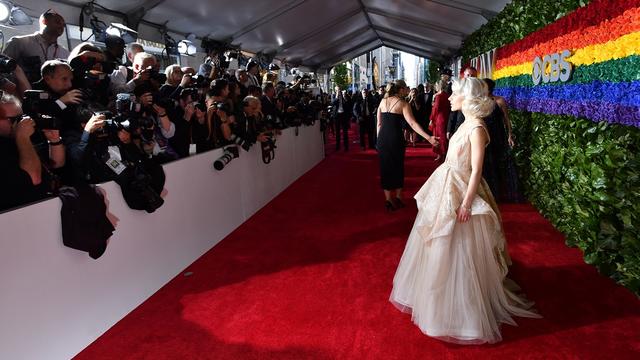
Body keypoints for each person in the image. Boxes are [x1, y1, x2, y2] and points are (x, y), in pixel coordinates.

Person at [389, 77, 540, 344]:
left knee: (460, 249)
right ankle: (438, 305)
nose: (448, 97)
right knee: (438, 245)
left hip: (461, 192)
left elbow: (477, 171)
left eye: (454, 93)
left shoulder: (478, 128)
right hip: (446, 187)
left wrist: (467, 203)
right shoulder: (466, 123)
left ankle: (463, 315)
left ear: (467, 98)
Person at [376, 80, 438, 211]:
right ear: (401, 89)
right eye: (406, 88)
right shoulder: (403, 104)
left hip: (382, 139)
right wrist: (429, 138)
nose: (407, 90)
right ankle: (398, 198)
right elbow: (413, 124)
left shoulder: (382, 102)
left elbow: (379, 124)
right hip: (395, 139)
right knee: (398, 166)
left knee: (385, 168)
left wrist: (379, 140)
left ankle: (388, 200)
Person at [3, 9, 70, 84]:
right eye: (57, 22)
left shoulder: (65, 54)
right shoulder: (19, 42)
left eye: (63, 25)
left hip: (54, 95)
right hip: (21, 94)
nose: (61, 26)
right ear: (44, 21)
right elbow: (2, 71)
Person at [429, 79, 451, 162]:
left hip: (439, 118)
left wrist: (431, 119)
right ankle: (445, 153)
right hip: (446, 117)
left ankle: (441, 154)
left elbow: (436, 109)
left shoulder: (438, 96)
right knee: (444, 136)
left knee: (439, 136)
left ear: (438, 86)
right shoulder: (448, 95)